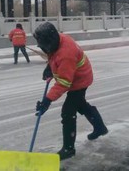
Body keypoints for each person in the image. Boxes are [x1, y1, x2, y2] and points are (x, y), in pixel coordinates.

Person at [33, 22, 108, 160]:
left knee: (68, 112)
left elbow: (64, 82)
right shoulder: (57, 40)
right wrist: (50, 67)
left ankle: (69, 149)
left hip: (80, 80)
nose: (44, 49)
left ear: (51, 41)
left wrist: (47, 100)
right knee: (81, 105)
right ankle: (100, 127)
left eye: (44, 46)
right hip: (76, 76)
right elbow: (53, 55)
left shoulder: (66, 53)